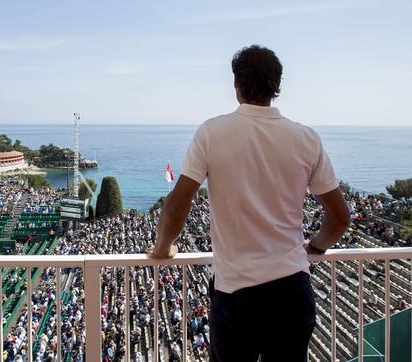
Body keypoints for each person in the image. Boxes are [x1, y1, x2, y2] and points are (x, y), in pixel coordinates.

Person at [149, 45, 350, 361]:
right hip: (293, 292)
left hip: (236, 296)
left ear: (235, 84)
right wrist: (317, 247)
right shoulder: (306, 138)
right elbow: (339, 217)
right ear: (277, 86)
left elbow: (176, 205)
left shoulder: (212, 132)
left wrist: (162, 249)